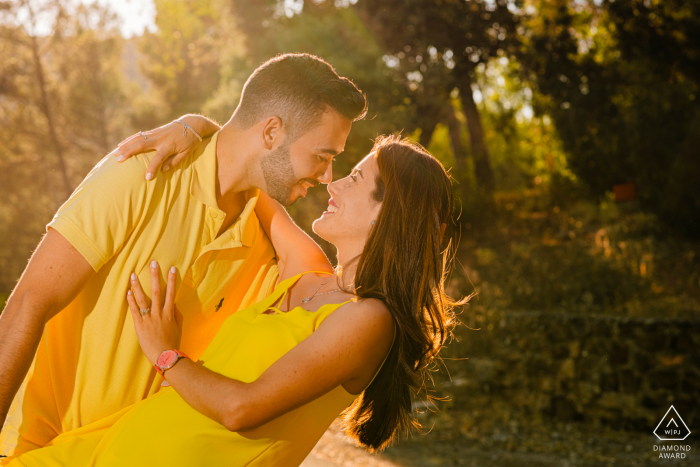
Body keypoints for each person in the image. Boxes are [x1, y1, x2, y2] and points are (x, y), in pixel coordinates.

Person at [0, 127, 468, 466]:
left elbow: (242, 408)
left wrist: (166, 354)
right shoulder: (309, 274)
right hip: (101, 448)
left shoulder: (369, 321)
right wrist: (192, 126)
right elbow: (245, 165)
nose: (333, 181)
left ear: (386, 217)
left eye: (356, 180)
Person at [0, 53, 367, 457]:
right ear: (271, 132)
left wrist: (200, 125)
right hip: (34, 450)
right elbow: (26, 306)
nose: (328, 175)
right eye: (322, 155)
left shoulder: (269, 252)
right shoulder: (144, 174)